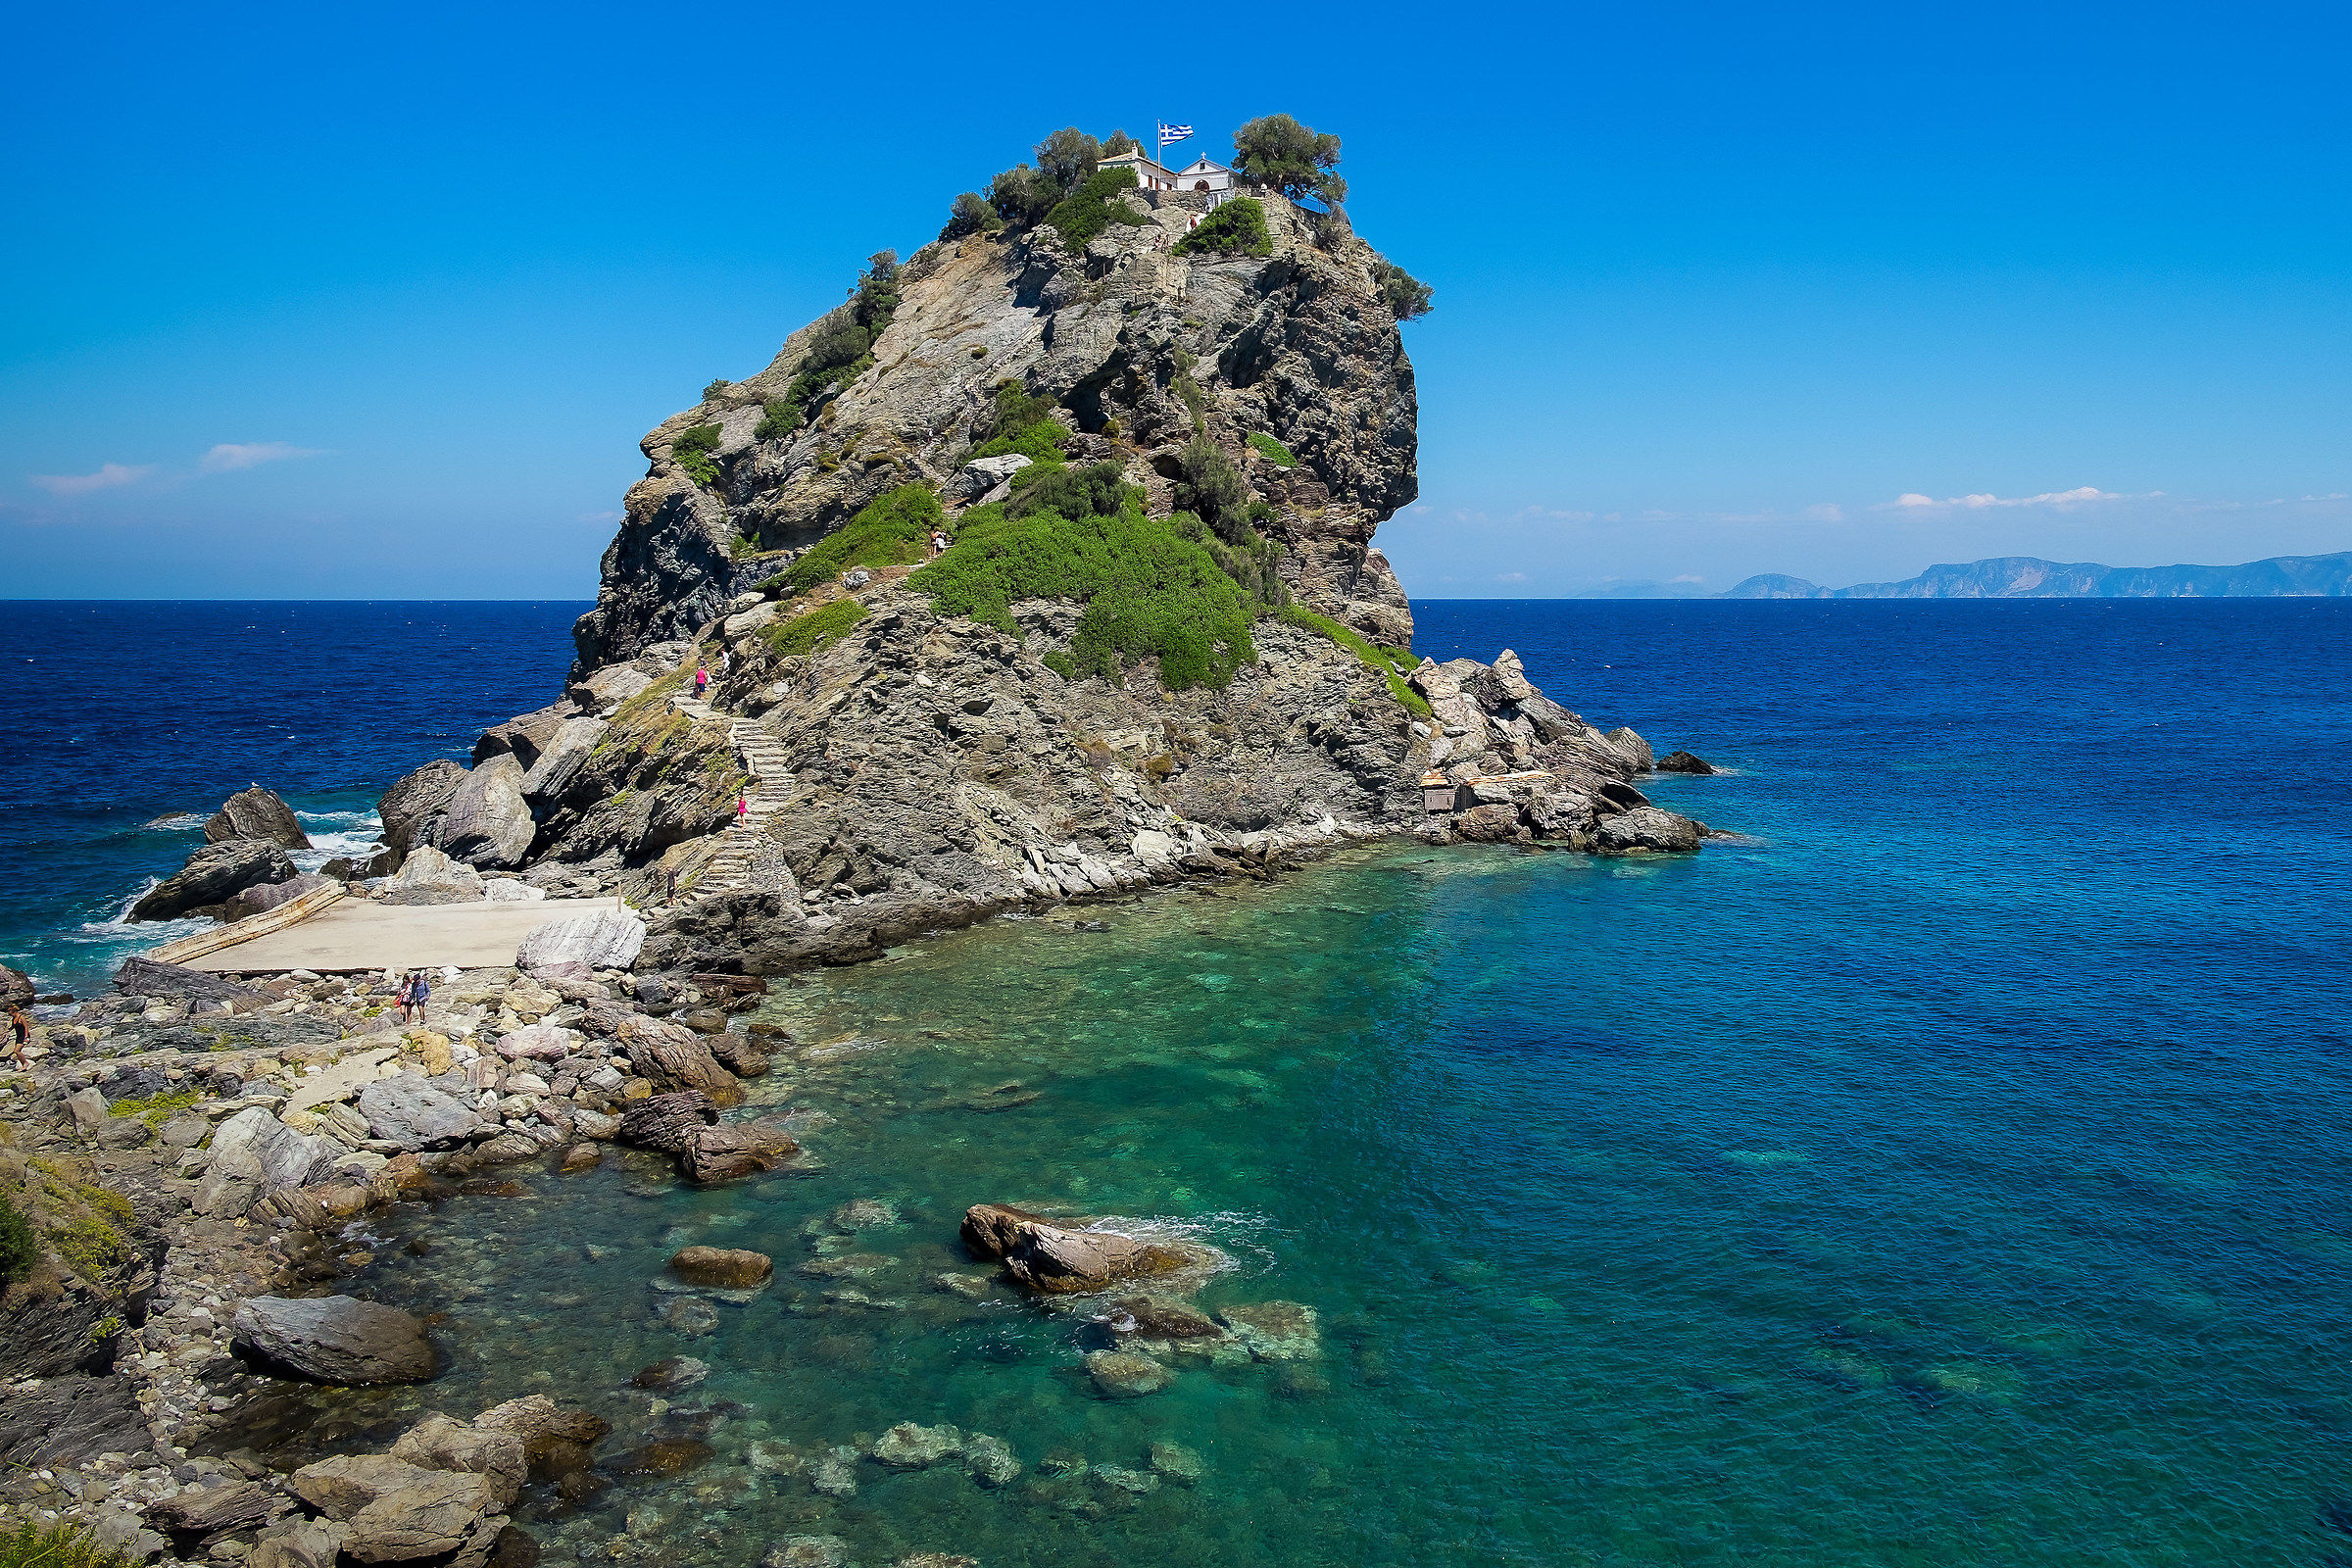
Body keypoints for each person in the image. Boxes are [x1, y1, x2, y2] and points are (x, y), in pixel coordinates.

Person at [8, 1007, 31, 1071]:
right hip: (18, 1036)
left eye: (11, 1014)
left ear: (15, 1012)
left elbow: (26, 1027)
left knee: (16, 1051)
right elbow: (13, 1026)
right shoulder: (14, 1018)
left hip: (23, 1036)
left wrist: (26, 1037)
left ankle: (26, 1063)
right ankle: (24, 1065)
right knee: (17, 1052)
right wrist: (7, 1030)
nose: (11, 1016)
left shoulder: (21, 1017)